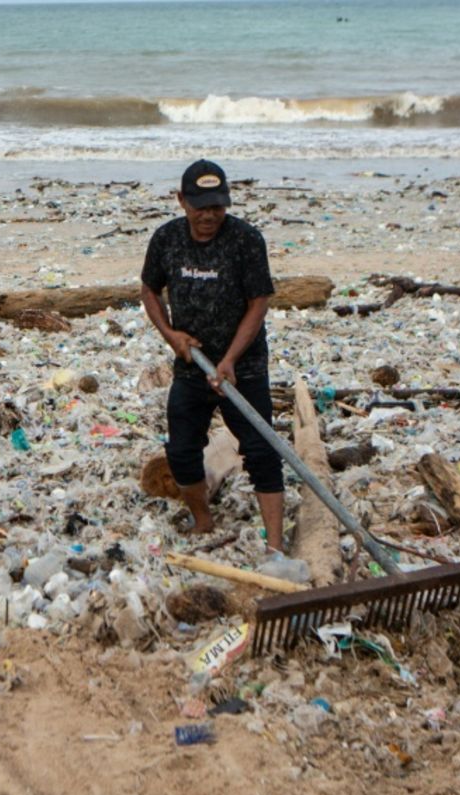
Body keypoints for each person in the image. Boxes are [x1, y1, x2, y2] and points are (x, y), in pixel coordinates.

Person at [140, 159, 285, 552]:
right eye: (200, 207)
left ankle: (275, 544)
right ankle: (203, 520)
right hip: (192, 367)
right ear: (181, 200)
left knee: (261, 451)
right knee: (182, 450)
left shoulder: (245, 240)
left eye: (217, 207)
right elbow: (149, 289)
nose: (209, 216)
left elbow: (259, 302)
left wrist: (232, 359)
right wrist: (171, 335)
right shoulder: (167, 239)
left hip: (243, 367)